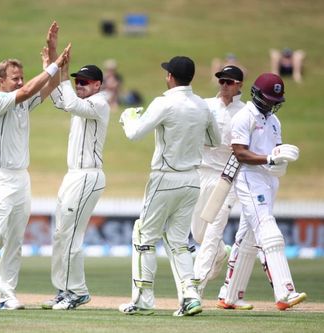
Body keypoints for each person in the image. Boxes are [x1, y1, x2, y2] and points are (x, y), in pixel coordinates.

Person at [0, 21, 71, 311]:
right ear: (1, 80)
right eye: (14, 77)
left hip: (20, 178)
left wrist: (53, 55)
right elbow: (26, 91)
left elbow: (48, 87)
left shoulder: (23, 102)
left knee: (15, 239)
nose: (18, 81)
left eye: (20, 77)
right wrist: (51, 67)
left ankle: (7, 294)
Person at [118, 56, 221, 316]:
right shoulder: (202, 105)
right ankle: (189, 295)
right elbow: (214, 139)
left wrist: (128, 116)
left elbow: (133, 134)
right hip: (192, 180)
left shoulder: (164, 103)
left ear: (171, 77)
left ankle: (142, 299)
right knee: (178, 241)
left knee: (144, 235)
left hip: (165, 177)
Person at [217, 72, 306, 311]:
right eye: (269, 99)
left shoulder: (275, 122)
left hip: (268, 181)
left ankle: (230, 295)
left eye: (276, 101)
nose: (272, 104)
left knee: (247, 239)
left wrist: (279, 159)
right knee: (268, 230)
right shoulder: (244, 117)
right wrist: (269, 158)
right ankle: (285, 292)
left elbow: (275, 153)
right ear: (256, 94)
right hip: (249, 179)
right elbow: (240, 153)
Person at [41, 54, 110, 309]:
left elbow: (69, 102)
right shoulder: (79, 102)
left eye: (85, 82)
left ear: (97, 85)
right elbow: (59, 98)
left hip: (88, 175)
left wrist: (64, 71)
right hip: (72, 174)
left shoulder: (100, 103)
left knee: (71, 235)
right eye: (77, 81)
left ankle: (77, 291)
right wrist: (51, 67)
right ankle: (63, 289)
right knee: (60, 234)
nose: (80, 85)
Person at [189, 65, 250, 305]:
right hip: (200, 173)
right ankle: (219, 253)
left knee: (213, 230)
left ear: (239, 85)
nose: (224, 85)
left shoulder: (246, 113)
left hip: (226, 178)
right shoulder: (206, 105)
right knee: (199, 233)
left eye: (229, 82)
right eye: (221, 81)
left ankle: (195, 290)